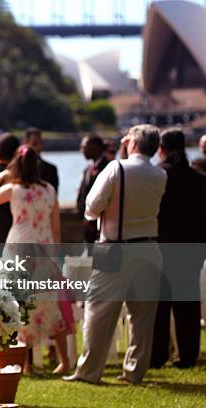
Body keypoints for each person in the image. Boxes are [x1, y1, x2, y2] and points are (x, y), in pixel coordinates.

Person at [64, 124, 167, 384]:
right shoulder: (159, 174)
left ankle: (89, 371)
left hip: (114, 247)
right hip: (149, 248)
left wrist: (94, 215)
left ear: (133, 143)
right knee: (143, 317)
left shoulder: (116, 168)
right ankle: (134, 372)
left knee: (98, 312)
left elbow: (92, 205)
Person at [0, 145, 72, 375]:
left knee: (19, 304)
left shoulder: (13, 189)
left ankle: (26, 363)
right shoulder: (49, 190)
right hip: (44, 251)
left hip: (18, 250)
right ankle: (64, 361)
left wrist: (0, 176)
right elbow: (56, 227)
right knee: (51, 305)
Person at [150, 129, 206, 369]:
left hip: (162, 245)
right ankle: (188, 353)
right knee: (188, 304)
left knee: (159, 306)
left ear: (161, 149)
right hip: (191, 247)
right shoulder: (198, 178)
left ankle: (158, 354)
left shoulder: (158, 176)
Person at [77, 134, 110, 243]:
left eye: (84, 146)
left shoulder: (108, 168)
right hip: (86, 224)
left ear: (95, 147)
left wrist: (93, 220)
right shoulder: (87, 169)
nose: (82, 150)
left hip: (100, 226)